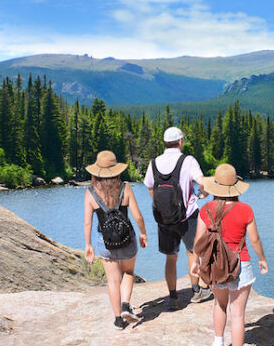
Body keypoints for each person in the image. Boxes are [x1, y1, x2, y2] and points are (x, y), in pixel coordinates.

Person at [191, 163, 268, 346]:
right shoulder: (245, 210)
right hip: (240, 264)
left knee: (219, 304)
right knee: (238, 314)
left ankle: (218, 343)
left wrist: (196, 263)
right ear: (235, 188)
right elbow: (254, 239)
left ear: (215, 187)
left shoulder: (206, 209)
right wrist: (262, 258)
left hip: (215, 264)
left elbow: (198, 239)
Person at [145, 126, 211, 310]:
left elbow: (150, 187)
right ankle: (196, 291)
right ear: (180, 142)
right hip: (187, 215)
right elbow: (202, 182)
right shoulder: (188, 160)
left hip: (164, 218)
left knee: (170, 257)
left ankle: (173, 297)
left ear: (164, 143)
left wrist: (162, 206)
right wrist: (203, 194)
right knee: (193, 253)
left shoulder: (154, 162)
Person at [84, 150, 148, 330]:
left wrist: (88, 244)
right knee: (128, 272)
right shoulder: (125, 188)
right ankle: (126, 305)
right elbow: (138, 216)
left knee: (113, 280)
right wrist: (143, 233)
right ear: (117, 171)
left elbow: (88, 222)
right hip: (127, 238)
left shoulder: (90, 193)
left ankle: (118, 319)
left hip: (104, 242)